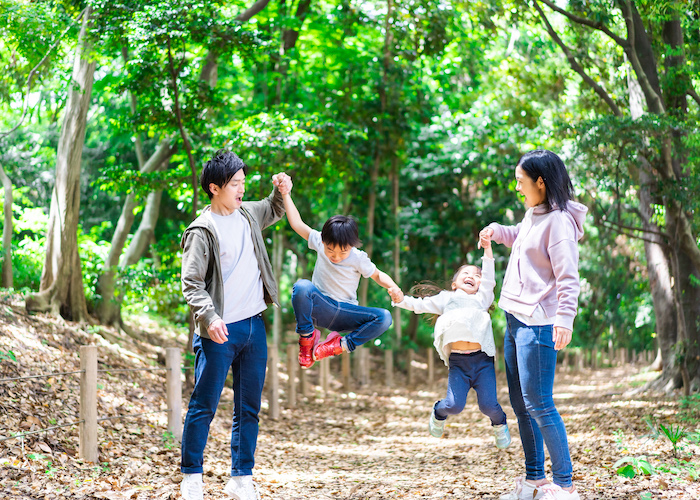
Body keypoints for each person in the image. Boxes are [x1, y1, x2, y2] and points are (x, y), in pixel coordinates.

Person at [179, 149, 292, 500]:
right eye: (235, 184)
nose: (242, 189)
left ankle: (241, 477)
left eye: (244, 182)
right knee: (204, 404)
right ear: (215, 188)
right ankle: (191, 477)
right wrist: (209, 318)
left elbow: (274, 207)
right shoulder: (202, 229)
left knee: (249, 408)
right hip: (219, 331)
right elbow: (191, 282)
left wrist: (282, 190)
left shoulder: (247, 214)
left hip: (254, 327)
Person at [480, 150, 587, 500]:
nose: (517, 188)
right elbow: (523, 239)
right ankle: (535, 479)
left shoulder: (559, 222)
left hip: (539, 323)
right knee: (521, 403)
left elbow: (569, 278)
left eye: (521, 182)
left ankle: (565, 486)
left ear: (541, 182)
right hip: (514, 318)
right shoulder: (534, 214)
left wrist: (565, 319)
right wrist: (499, 231)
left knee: (540, 403)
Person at [387, 233, 511, 449]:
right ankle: (438, 412)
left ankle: (500, 424)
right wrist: (401, 301)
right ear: (454, 284)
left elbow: (489, 276)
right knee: (454, 405)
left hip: (482, 362)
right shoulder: (447, 298)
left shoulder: (482, 299)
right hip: (459, 363)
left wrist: (487, 249)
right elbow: (421, 305)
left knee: (489, 406)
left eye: (477, 274)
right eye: (466, 273)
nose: (472, 275)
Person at [280, 189, 398, 368]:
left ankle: (339, 345)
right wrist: (286, 194)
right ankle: (307, 338)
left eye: (343, 252)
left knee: (385, 317)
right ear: (323, 241)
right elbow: (297, 223)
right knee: (302, 287)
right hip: (321, 308)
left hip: (346, 313)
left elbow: (378, 274)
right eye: (330, 250)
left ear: (351, 245)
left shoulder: (358, 258)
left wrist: (394, 287)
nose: (335, 256)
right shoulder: (318, 240)